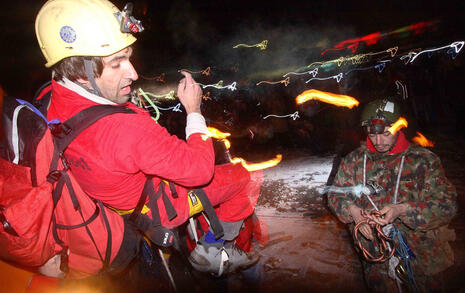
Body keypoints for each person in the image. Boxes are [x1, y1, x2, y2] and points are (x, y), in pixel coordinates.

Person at [34, 0, 262, 278]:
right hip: (154, 207)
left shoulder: (50, 96)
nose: (132, 73)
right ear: (81, 73)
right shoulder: (125, 129)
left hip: (107, 197)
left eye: (127, 57)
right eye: (117, 63)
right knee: (245, 178)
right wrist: (194, 111)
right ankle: (214, 250)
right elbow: (199, 171)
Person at [327, 98, 457, 292]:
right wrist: (353, 211)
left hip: (424, 256)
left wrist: (403, 210)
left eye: (386, 133)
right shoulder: (354, 161)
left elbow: (448, 205)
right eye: (372, 134)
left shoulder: (423, 161)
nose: (378, 141)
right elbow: (335, 195)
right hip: (377, 256)